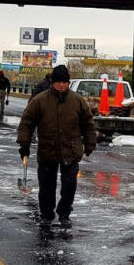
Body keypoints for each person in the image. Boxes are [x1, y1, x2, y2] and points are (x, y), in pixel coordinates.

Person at [16, 65, 96, 228]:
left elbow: (88, 124)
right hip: (47, 149)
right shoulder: (40, 100)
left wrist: (90, 143)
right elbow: (26, 123)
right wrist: (24, 143)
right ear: (53, 82)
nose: (61, 85)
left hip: (71, 150)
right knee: (46, 185)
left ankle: (64, 213)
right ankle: (46, 214)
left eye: (64, 82)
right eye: (58, 82)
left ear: (68, 82)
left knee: (69, 185)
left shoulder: (77, 101)